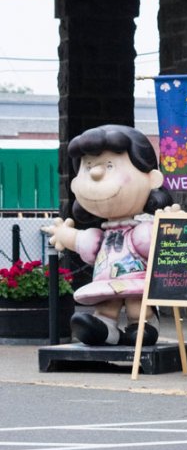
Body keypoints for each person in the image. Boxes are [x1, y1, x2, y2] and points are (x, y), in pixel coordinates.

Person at [43, 124, 173, 346]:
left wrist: (172, 225)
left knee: (136, 304)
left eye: (109, 165)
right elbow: (83, 241)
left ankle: (143, 326)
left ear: (151, 179)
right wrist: (64, 234)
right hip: (107, 281)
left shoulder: (141, 231)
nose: (95, 173)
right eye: (89, 166)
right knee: (106, 305)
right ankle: (103, 329)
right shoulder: (99, 235)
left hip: (136, 280)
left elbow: (159, 243)